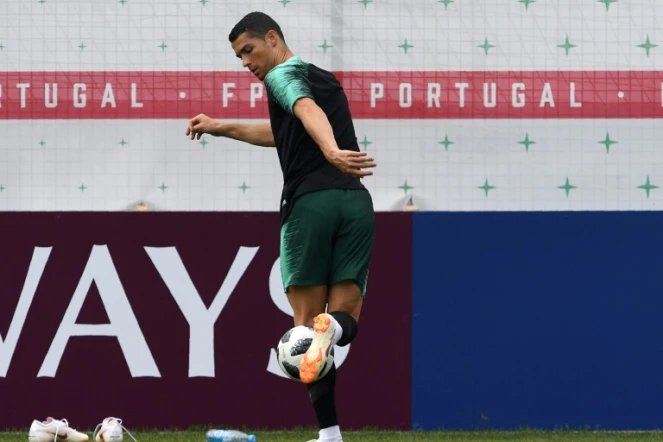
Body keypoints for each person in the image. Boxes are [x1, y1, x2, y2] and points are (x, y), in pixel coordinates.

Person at [185, 11, 376, 442]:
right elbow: (284, 131)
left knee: (305, 330)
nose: (246, 63)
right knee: (343, 320)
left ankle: (329, 434)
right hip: (355, 203)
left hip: (310, 205)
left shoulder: (283, 76)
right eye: (239, 57)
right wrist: (219, 126)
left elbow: (304, 111)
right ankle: (334, 336)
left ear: (272, 38)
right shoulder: (323, 77)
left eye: (249, 51)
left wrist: (330, 150)